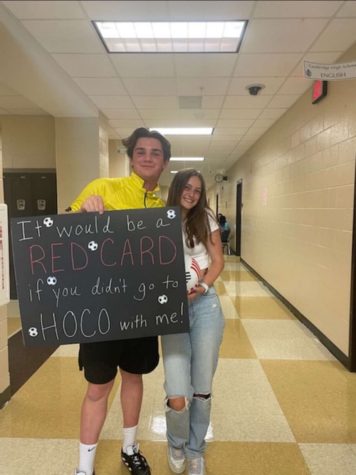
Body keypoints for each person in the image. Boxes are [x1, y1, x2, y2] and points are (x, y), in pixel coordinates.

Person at [69, 127, 171, 475]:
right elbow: (60, 230)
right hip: (101, 309)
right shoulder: (103, 188)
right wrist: (82, 212)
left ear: (165, 162)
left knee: (134, 377)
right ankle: (84, 467)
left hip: (141, 311)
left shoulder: (162, 208)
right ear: (131, 157)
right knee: (98, 386)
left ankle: (130, 448)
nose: (146, 157)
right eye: (140, 151)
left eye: (155, 152)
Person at [161, 169, 225, 475]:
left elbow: (217, 261)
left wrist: (203, 287)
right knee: (177, 392)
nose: (192, 194)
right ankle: (176, 441)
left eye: (197, 190)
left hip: (205, 308)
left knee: (201, 387)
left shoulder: (206, 220)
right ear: (177, 188)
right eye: (187, 188)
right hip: (171, 311)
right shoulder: (160, 219)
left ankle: (196, 449)